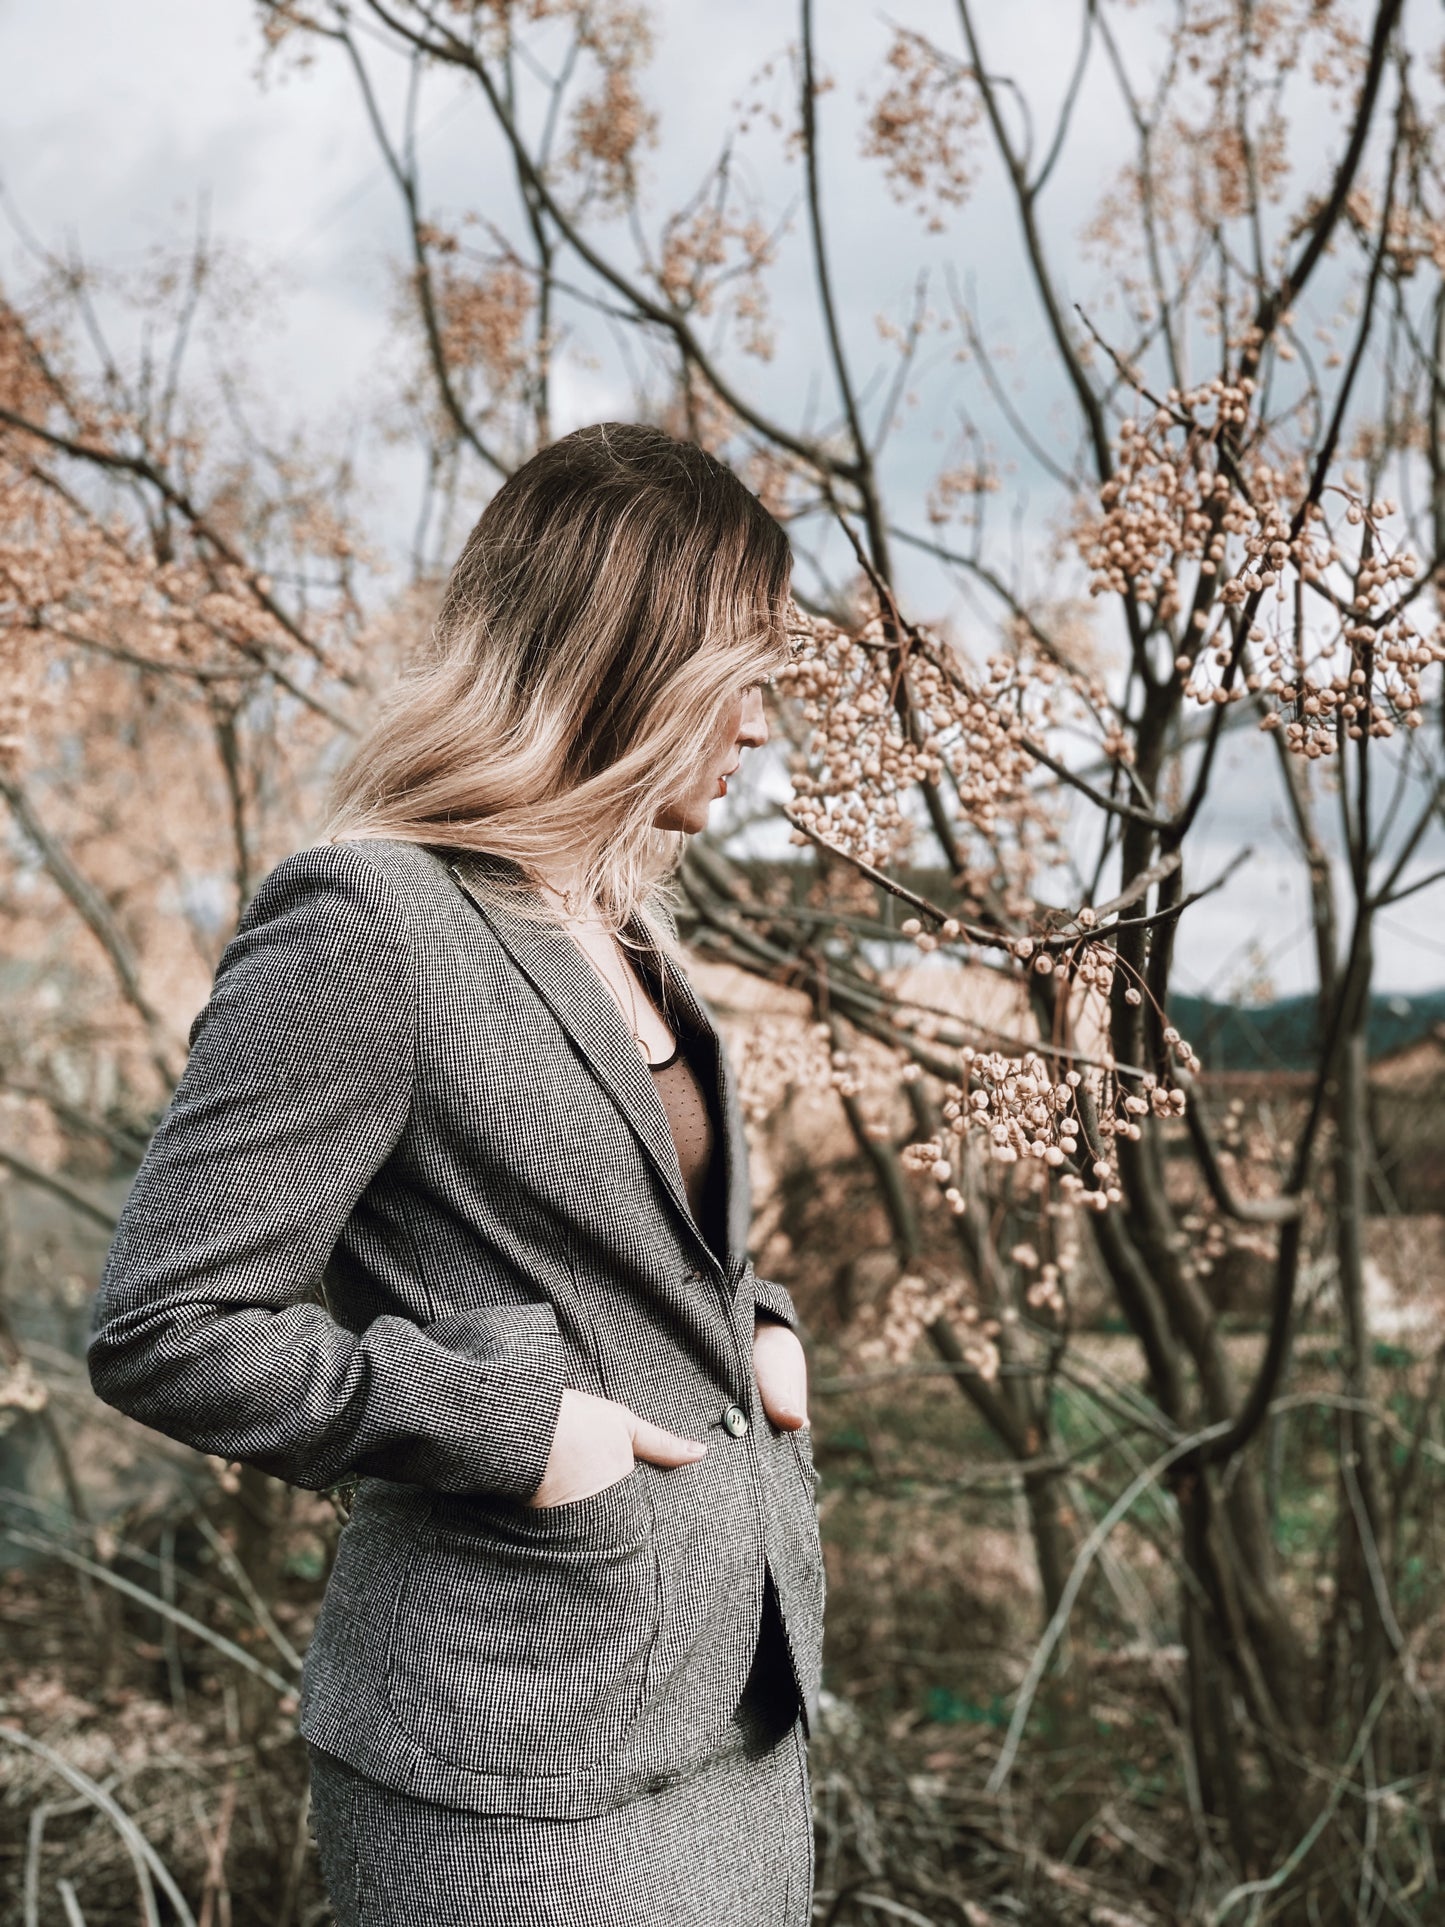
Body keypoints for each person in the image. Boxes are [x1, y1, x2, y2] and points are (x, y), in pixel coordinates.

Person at [87, 421, 825, 1927]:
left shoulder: (622, 935)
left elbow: (608, 1239)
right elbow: (167, 1326)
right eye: (740, 678)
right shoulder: (367, 923)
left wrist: (755, 1320)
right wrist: (523, 1431)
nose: (761, 727)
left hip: (736, 1709)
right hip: (513, 1746)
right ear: (627, 659)